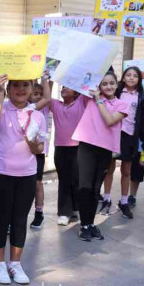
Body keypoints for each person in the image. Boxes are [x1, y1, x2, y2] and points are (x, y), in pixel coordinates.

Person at [0, 79, 45, 285]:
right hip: (0, 172)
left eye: (25, 86)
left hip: (27, 174)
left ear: (32, 89)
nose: (21, 90)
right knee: (2, 219)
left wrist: (32, 142)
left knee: (20, 219)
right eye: (16, 86)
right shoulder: (0, 110)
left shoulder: (37, 115)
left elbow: (39, 150)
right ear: (9, 88)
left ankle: (15, 264)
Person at [72, 72, 128, 242]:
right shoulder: (89, 99)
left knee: (96, 189)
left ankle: (90, 224)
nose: (109, 87)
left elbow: (110, 121)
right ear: (99, 86)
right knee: (85, 187)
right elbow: (81, 81)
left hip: (105, 150)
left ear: (117, 84)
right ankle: (84, 225)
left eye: (112, 83)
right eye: (104, 84)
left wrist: (99, 101)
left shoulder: (122, 105)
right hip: (87, 146)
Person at [100, 66, 144, 219]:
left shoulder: (142, 97)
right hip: (113, 133)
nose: (131, 78)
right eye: (128, 75)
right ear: (123, 77)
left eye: (135, 75)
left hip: (129, 136)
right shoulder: (116, 92)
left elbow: (143, 121)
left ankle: (124, 201)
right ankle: (106, 198)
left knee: (126, 171)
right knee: (109, 168)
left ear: (139, 79)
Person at [46, 85, 86, 226]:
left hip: (77, 148)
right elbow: (46, 95)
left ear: (75, 91)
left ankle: (75, 208)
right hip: (60, 149)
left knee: (76, 180)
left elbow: (88, 89)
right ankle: (63, 212)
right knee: (64, 180)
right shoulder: (57, 105)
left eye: (67, 87)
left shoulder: (81, 102)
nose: (63, 89)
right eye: (62, 87)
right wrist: (46, 78)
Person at [28, 80, 52, 229]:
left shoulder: (41, 109)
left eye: (40, 94)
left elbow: (48, 97)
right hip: (24, 151)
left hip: (39, 151)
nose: (38, 97)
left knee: (37, 183)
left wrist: (45, 77)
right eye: (35, 94)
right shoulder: (27, 109)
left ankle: (39, 212)